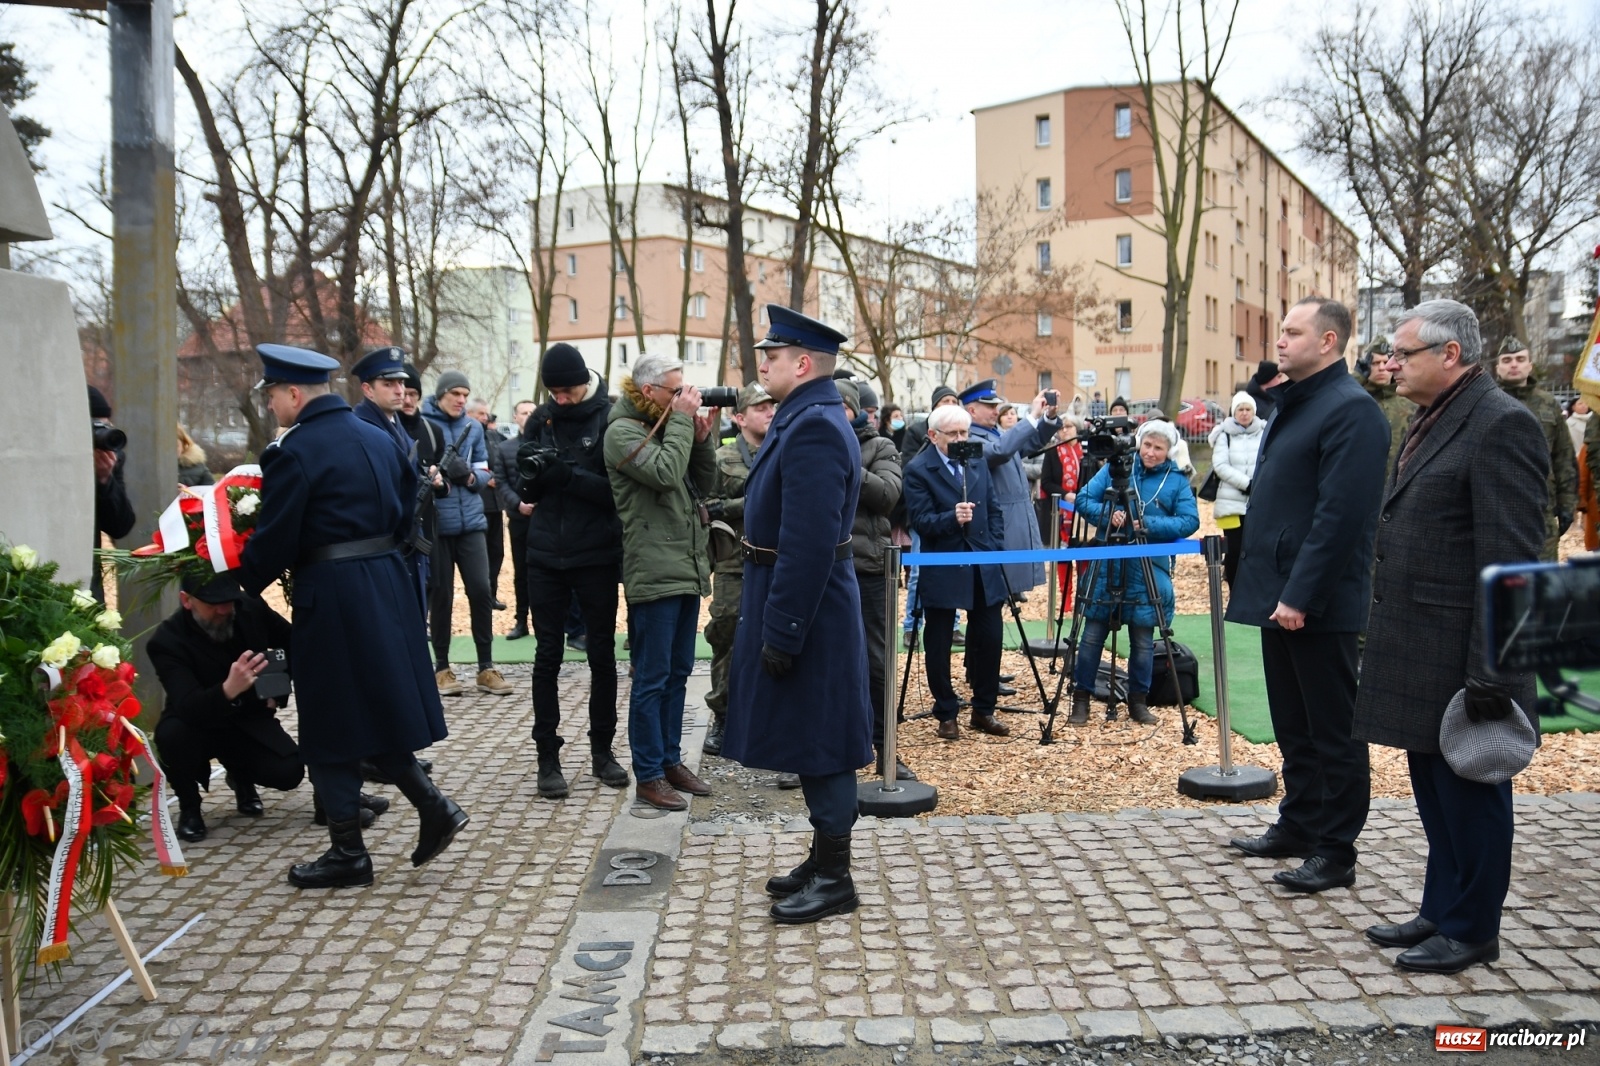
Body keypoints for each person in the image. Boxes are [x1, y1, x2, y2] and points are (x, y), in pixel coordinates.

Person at [1353, 299, 1548, 975]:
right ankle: (1441, 907)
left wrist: (1491, 675)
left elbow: (1513, 565)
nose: (1391, 363)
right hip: (1425, 647)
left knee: (1473, 795)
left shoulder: (1502, 425)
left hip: (1467, 659)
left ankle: (1473, 928)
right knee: (1437, 795)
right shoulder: (1435, 416)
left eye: (1403, 354)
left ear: (1451, 356)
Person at [237, 344, 467, 889]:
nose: (271, 406)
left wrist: (238, 574)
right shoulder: (378, 435)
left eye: (272, 395)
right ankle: (430, 809)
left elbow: (276, 539)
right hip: (385, 584)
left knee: (329, 715)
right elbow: (405, 506)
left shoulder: (292, 451)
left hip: (333, 593)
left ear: (293, 393)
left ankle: (351, 851)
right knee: (369, 708)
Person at [1224, 297, 1390, 894]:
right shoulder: (1297, 403)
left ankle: (1335, 849)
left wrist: (1300, 596)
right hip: (1281, 595)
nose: (1280, 341)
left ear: (1328, 342)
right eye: (1281, 329)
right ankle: (1298, 823)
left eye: (1293, 331)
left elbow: (1340, 518)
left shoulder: (1352, 412)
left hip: (1315, 602)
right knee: (1294, 723)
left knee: (1333, 730)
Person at [722, 304, 874, 925]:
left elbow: (809, 540)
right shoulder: (804, 415)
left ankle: (836, 876)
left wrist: (783, 629)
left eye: (773, 356)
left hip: (808, 605)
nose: (762, 364)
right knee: (814, 735)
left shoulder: (812, 424)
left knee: (825, 740)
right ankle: (822, 858)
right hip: (795, 595)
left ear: (803, 363)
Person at [604, 353, 717, 812]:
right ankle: (649, 773)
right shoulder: (622, 432)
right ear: (648, 392)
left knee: (678, 673)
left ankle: (670, 761)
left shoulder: (669, 425)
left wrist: (701, 438)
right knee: (651, 679)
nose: (684, 396)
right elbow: (666, 474)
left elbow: (700, 483)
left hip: (685, 565)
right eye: (676, 390)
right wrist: (683, 424)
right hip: (653, 568)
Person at [517, 344, 629, 799]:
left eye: (567, 391)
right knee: (547, 657)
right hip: (544, 553)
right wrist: (534, 476)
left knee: (601, 655)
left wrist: (567, 476)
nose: (560, 399)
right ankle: (548, 756)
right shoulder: (538, 420)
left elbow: (616, 493)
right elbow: (528, 490)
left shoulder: (610, 418)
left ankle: (602, 751)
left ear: (585, 381)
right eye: (553, 392)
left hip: (596, 553)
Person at [148, 573, 307, 842]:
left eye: (228, 601)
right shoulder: (166, 640)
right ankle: (189, 805)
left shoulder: (249, 608)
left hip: (247, 716)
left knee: (288, 771)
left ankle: (240, 776)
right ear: (187, 601)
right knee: (171, 735)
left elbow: (293, 641)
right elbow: (188, 705)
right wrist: (228, 689)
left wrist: (276, 688)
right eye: (213, 603)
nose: (224, 610)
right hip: (196, 722)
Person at [1068, 418, 1198, 725]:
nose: (1151, 452)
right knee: (1092, 634)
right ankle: (1081, 699)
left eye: (1159, 448)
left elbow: (1189, 521)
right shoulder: (1115, 470)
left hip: (1148, 569)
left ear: (1169, 451)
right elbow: (1084, 498)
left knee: (1142, 639)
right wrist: (1109, 514)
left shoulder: (1176, 481)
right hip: (1108, 563)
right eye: (1147, 445)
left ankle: (1139, 701)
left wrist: (1147, 525)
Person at [903, 404, 1010, 741]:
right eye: (954, 435)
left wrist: (994, 545)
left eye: (965, 433)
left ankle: (983, 709)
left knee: (990, 637)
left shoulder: (976, 461)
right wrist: (952, 517)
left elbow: (993, 509)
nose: (962, 439)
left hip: (982, 562)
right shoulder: (919, 469)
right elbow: (919, 522)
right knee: (938, 640)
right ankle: (946, 712)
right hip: (943, 564)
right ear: (933, 436)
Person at [837, 378, 912, 781]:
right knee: (822, 663)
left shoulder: (881, 446)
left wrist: (844, 459)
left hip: (867, 571)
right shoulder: (810, 441)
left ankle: (887, 752)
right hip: (823, 569)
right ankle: (816, 753)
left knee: (877, 664)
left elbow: (887, 495)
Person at [423, 372, 513, 697]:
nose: (461, 399)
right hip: (437, 525)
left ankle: (486, 667)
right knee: (442, 597)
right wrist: (438, 476)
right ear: (442, 394)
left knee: (481, 591)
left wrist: (468, 477)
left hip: (472, 523)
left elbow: (483, 469)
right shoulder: (423, 425)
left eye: (465, 394)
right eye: (455, 393)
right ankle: (442, 668)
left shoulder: (473, 427)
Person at [702, 382, 775, 759]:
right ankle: (724, 717)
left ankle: (773, 720)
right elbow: (708, 507)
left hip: (777, 559)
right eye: (761, 407)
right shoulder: (721, 457)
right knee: (726, 636)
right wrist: (748, 503)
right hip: (733, 562)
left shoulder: (784, 451)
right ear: (740, 417)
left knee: (777, 639)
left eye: (772, 406)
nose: (770, 412)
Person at [963, 379, 1062, 600]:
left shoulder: (995, 433)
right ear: (972, 410)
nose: (995, 411)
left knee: (1005, 592)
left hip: (1013, 518)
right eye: (990, 406)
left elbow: (1031, 442)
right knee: (993, 598)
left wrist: (1049, 417)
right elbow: (1001, 451)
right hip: (997, 523)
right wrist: (1032, 416)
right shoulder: (967, 438)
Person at [1493, 338, 1577, 561]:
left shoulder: (1548, 404)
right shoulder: (1484, 403)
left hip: (1541, 511)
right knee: (1499, 584)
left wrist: (1568, 504)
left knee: (1542, 580)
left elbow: (1563, 457)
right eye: (1507, 360)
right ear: (1497, 367)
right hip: (1495, 512)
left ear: (1530, 365)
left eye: (1520, 359)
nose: (1514, 365)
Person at [900, 385, 965, 646]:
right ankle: (912, 625)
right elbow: (909, 466)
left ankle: (955, 624)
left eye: (953, 401)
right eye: (944, 401)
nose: (949, 404)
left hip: (957, 516)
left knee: (957, 568)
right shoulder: (917, 432)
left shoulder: (962, 437)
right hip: (925, 514)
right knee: (918, 571)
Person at [396, 363, 450, 614]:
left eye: (413, 395)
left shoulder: (432, 430)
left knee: (430, 586)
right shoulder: (387, 429)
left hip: (427, 522)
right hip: (397, 522)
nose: (407, 400)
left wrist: (438, 482)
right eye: (404, 393)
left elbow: (445, 482)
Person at [1207, 392, 1265, 590]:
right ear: (1234, 412)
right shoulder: (1224, 434)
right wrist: (1247, 483)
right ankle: (1235, 591)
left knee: (1258, 550)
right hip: (1231, 503)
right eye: (1240, 409)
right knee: (1234, 551)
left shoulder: (1265, 431)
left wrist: (1258, 484)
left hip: (1260, 501)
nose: (1244, 413)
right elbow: (1220, 465)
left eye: (1248, 409)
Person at [493, 399, 537, 640]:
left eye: (532, 412)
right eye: (523, 412)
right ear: (515, 417)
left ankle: (552, 621)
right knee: (521, 572)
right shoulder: (505, 448)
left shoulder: (547, 444)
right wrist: (518, 504)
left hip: (545, 520)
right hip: (519, 519)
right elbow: (501, 482)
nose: (528, 416)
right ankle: (521, 621)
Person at [89, 385, 135, 604]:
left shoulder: (112, 457)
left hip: (88, 583)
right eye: (94, 427)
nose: (102, 434)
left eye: (105, 426)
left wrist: (105, 480)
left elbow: (121, 526)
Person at [1039, 420, 1086, 609]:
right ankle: (1065, 600)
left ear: (1077, 429)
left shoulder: (1087, 453)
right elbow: (1046, 482)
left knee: (1085, 553)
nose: (1065, 431)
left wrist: (1082, 496)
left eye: (1069, 427)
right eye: (1061, 428)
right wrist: (1066, 494)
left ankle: (1084, 598)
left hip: (1084, 511)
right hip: (1059, 512)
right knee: (1063, 556)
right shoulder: (1053, 452)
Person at [467, 398, 507, 608]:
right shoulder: (466, 437)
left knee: (496, 552)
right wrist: (486, 477)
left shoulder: (493, 436)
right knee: (479, 555)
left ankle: (491, 594)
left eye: (486, 414)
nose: (485, 418)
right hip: (477, 504)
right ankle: (480, 597)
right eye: (480, 414)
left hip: (496, 504)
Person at [1356, 339, 1414, 469]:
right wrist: (1357, 377)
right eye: (1375, 363)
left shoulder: (1410, 401)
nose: (1382, 368)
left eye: (1385, 362)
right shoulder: (1356, 401)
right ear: (1365, 366)